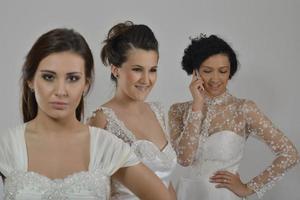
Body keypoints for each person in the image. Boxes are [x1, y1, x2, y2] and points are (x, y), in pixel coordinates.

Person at [0, 28, 173, 200]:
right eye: (49, 77)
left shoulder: (106, 146)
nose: (61, 91)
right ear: (30, 80)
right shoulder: (6, 146)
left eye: (73, 78)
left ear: (86, 85)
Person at [168, 34, 299, 200]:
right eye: (207, 71)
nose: (215, 79)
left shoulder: (243, 109)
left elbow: (290, 154)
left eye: (223, 71)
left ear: (230, 72)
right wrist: (197, 106)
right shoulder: (178, 110)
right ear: (194, 72)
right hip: (187, 194)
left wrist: (249, 188)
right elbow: (184, 159)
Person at [88, 21, 177, 200]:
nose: (146, 79)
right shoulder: (102, 119)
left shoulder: (157, 112)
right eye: (137, 70)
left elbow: (167, 184)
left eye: (152, 70)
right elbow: (94, 189)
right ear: (115, 69)